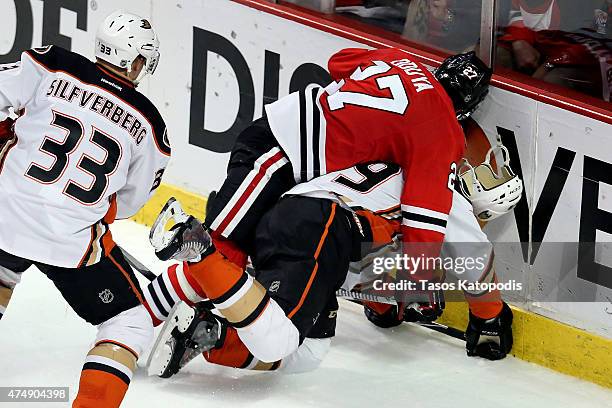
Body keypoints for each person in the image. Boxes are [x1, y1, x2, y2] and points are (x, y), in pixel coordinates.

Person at [143, 145, 518, 376]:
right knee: (281, 338)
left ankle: (198, 330)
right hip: (320, 230)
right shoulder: (445, 194)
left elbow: (367, 266)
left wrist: (390, 306)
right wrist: (490, 319)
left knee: (309, 352)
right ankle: (199, 250)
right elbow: (476, 265)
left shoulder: (410, 161)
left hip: (299, 219)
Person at [0, 10, 169, 408]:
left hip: (5, 213)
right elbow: (128, 203)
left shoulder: (52, 63)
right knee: (130, 319)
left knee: (2, 269)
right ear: (139, 61)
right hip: (70, 242)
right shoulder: (151, 126)